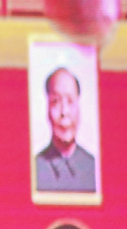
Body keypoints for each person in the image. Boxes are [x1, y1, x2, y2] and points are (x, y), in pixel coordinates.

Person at [35, 65, 98, 194]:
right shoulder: (35, 168)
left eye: (70, 101)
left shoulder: (95, 168)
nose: (64, 112)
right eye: (56, 101)